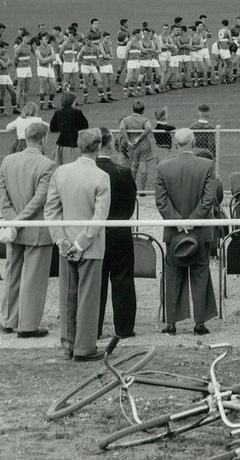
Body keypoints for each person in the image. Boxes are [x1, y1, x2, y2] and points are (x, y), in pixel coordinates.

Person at [44, 128, 111, 361]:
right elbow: (99, 217)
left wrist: (62, 240)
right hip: (89, 247)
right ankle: (83, 347)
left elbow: (50, 211)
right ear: (99, 145)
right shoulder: (101, 177)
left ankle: (69, 344)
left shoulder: (61, 172)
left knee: (68, 295)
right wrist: (79, 243)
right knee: (87, 298)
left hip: (68, 244)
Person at [0, 120, 56, 338]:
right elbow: (40, 200)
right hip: (34, 228)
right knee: (33, 279)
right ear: (43, 138)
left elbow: (0, 195)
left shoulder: (8, 161)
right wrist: (19, 220)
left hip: (15, 227)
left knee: (13, 274)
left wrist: (13, 221)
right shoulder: (48, 164)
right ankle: (27, 325)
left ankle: (8, 320)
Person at [155, 129, 219, 336]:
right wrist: (191, 221)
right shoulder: (207, 165)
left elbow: (161, 201)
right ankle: (199, 322)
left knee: (173, 275)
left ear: (175, 143)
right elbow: (209, 199)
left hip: (176, 231)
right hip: (199, 230)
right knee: (200, 274)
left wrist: (180, 222)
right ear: (192, 142)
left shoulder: (164, 167)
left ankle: (172, 323)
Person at [95, 127, 137, 339]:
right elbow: (130, 206)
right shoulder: (122, 172)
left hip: (97, 232)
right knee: (123, 280)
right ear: (109, 145)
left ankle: (95, 327)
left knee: (97, 281)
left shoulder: (95, 171)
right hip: (119, 231)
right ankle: (124, 328)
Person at [118, 101, 157, 196]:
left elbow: (122, 129)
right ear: (143, 111)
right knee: (143, 166)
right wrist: (139, 138)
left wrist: (128, 141)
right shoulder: (145, 119)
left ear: (133, 109)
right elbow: (148, 128)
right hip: (143, 144)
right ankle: (142, 190)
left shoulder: (126, 120)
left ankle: (131, 188)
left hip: (132, 144)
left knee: (133, 166)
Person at [49, 92, 88, 166]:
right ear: (72, 101)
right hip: (75, 144)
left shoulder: (58, 113)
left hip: (62, 144)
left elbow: (53, 128)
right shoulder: (77, 113)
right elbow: (85, 126)